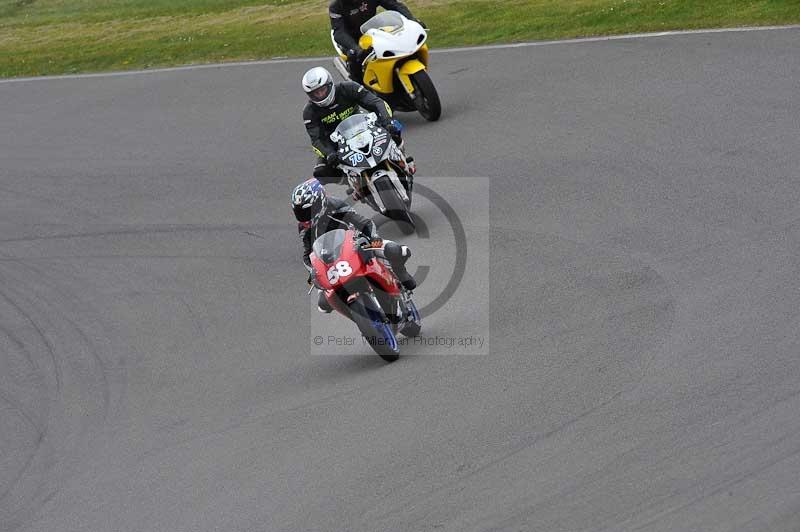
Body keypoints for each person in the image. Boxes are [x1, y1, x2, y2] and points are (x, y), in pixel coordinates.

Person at [291, 179, 417, 312]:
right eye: (299, 212)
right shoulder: (304, 227)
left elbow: (365, 223)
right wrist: (313, 270)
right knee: (323, 304)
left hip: (357, 243)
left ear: (320, 201)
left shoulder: (335, 206)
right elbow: (308, 254)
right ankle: (360, 316)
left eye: (308, 211)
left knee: (396, 250)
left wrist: (373, 239)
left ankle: (400, 272)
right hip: (332, 261)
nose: (303, 217)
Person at [301, 66, 410, 185]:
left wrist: (388, 121)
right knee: (321, 172)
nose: (320, 95)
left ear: (330, 84)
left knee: (395, 127)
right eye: (315, 93)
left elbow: (376, 103)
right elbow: (316, 140)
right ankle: (353, 184)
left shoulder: (349, 88)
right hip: (335, 142)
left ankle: (403, 159)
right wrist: (329, 154)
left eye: (322, 90)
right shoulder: (309, 112)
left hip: (363, 125)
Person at [329, 0, 423, 81]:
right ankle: (359, 89)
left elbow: (394, 5)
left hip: (372, 29)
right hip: (352, 38)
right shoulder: (336, 7)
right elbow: (339, 32)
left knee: (394, 38)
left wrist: (412, 20)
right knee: (354, 56)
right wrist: (356, 48)